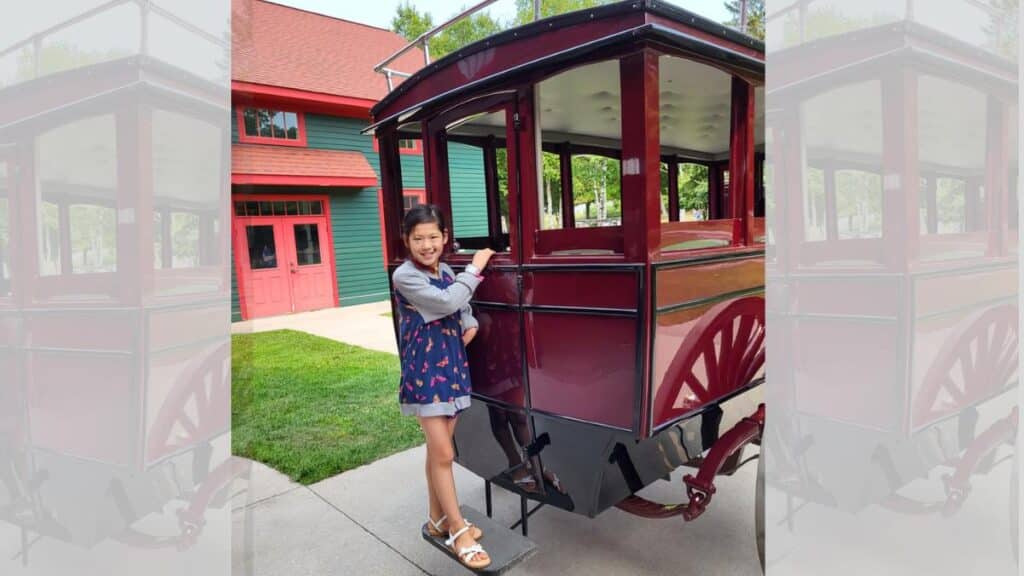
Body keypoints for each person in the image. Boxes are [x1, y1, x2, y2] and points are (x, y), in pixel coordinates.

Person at [392, 204, 494, 570]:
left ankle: (436, 520)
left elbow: (458, 304)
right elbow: (447, 299)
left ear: (445, 238)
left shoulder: (446, 269)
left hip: (451, 367)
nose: (427, 244)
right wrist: (476, 269)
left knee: (437, 453)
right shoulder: (405, 276)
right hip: (425, 375)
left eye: (433, 237)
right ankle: (457, 531)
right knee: (445, 454)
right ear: (406, 241)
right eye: (418, 238)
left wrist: (469, 320)